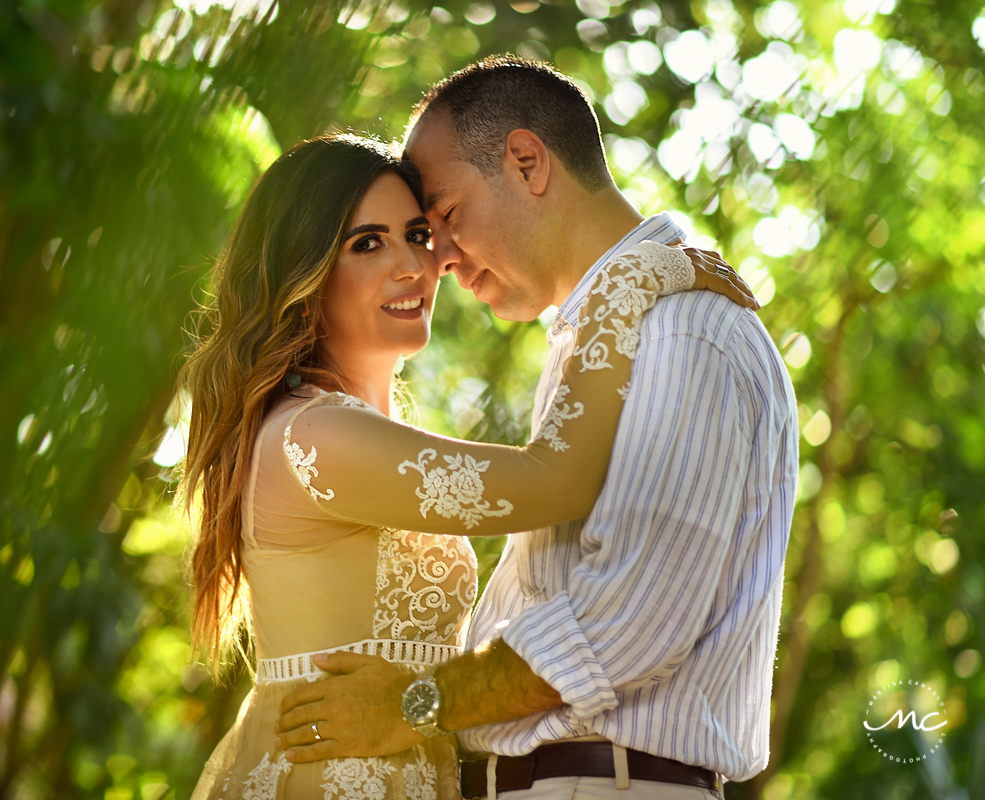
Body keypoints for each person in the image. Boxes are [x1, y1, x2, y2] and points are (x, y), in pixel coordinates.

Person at [275, 57, 799, 799]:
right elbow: (549, 488)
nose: (439, 262)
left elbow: (621, 627)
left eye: (444, 217)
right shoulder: (612, 337)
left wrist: (412, 702)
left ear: (526, 162)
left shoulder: (680, 337)